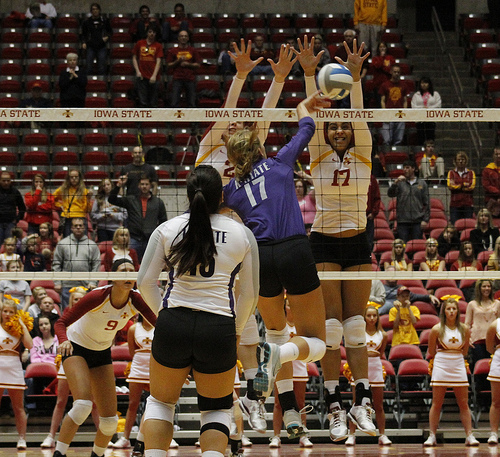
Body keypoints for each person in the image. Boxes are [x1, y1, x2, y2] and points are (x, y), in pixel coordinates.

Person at [196, 40, 297, 436]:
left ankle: (263, 403)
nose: (236, 124)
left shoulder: (250, 159)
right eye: (232, 123)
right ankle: (245, 403)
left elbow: (266, 119)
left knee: (265, 327)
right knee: (236, 329)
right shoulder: (209, 150)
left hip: (245, 247)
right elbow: (225, 115)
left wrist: (278, 80)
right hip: (208, 250)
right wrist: (239, 77)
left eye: (242, 124)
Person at [224, 91, 328, 439]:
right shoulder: (280, 162)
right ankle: (277, 357)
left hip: (260, 259)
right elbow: (308, 126)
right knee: (316, 342)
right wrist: (304, 107)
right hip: (294, 250)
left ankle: (293, 413)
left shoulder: (230, 191)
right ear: (259, 149)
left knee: (277, 332)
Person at [136, 165, 259, 457]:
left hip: (173, 323)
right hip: (218, 328)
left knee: (161, 403)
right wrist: (237, 330)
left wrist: (164, 315)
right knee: (216, 409)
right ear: (222, 197)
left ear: (189, 195)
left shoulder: (167, 228)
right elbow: (250, 295)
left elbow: (144, 283)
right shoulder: (242, 234)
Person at [300, 37, 376, 441]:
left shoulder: (363, 150)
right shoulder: (318, 154)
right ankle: (333, 405)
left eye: (346, 125)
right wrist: (309, 73)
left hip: (358, 242)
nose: (342, 129)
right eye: (336, 125)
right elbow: (309, 115)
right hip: (324, 243)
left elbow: (360, 115)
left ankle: (360, 403)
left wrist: (357, 78)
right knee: (330, 328)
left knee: (356, 325)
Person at [52, 260, 157, 457]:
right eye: (123, 271)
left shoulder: (136, 299)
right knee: (82, 405)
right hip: (76, 348)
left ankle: (97, 455)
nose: (128, 275)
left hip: (101, 353)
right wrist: (64, 340)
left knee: (109, 423)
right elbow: (61, 322)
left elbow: (159, 325)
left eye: (131, 271)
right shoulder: (98, 296)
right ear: (113, 277)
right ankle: (59, 453)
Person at [424, 298, 479, 447]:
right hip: (441, 363)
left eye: (454, 309)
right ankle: (432, 436)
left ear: (458, 311)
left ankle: (469, 436)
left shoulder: (464, 329)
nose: (451, 312)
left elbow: (465, 351)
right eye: (448, 309)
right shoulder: (436, 329)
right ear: (444, 311)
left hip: (458, 363)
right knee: (436, 403)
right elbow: (431, 351)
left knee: (463, 403)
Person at [41, 287, 88, 449]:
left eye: (82, 298)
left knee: (92, 403)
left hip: (87, 362)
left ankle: (103, 437)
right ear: (71, 301)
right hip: (68, 361)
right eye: (75, 299)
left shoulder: (91, 317)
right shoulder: (65, 319)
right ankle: (51, 436)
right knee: (61, 401)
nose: (79, 301)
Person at [269, 302, 314, 449]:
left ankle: (302, 436)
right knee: (278, 403)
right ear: (284, 307)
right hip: (282, 366)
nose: (291, 306)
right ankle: (276, 436)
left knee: (300, 403)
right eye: (288, 304)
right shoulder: (280, 325)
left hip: (299, 366)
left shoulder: (303, 325)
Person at [345, 305, 391, 446]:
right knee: (356, 403)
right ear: (364, 317)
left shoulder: (383, 335)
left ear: (378, 318)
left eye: (374, 316)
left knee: (378, 405)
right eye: (369, 315)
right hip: (360, 367)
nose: (371, 318)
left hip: (376, 367)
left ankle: (382, 434)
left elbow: (381, 353)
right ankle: (351, 435)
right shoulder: (359, 333)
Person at [108, 175, 167, 261]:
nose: (144, 186)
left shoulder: (158, 202)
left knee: (151, 264)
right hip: (134, 238)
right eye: (142, 184)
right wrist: (119, 185)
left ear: (150, 186)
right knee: (134, 263)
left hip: (151, 240)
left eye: (146, 184)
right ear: (138, 186)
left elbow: (163, 221)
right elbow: (112, 199)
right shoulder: (131, 200)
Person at [0, 298, 33, 450]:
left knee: (18, 406)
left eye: (11, 312)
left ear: (15, 314)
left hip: (13, 366)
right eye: (5, 311)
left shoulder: (18, 329)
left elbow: (30, 345)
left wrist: (22, 325)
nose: (7, 314)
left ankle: (22, 439)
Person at [52, 218, 101, 310]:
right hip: (67, 284)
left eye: (80, 226)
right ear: (71, 228)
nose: (78, 228)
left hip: (86, 285)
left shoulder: (92, 245)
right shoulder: (63, 244)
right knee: (67, 312)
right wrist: (57, 282)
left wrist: (93, 281)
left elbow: (96, 265)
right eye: (75, 226)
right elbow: (56, 264)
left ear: (84, 228)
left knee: (86, 311)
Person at [387, 159, 430, 242]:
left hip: (417, 221)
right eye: (404, 168)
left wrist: (425, 220)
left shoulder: (422, 184)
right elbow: (390, 194)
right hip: (402, 221)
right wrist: (395, 183)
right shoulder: (400, 183)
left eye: (407, 168)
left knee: (417, 245)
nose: (405, 170)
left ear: (413, 169)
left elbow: (427, 203)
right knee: (403, 246)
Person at [465, 279, 500, 370]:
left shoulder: (497, 304)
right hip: (477, 340)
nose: (487, 288)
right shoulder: (472, 304)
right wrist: (467, 338)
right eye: (484, 286)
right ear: (479, 288)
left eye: (488, 286)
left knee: (493, 367)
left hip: (493, 340)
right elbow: (467, 324)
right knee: (480, 367)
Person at [53, 169, 93, 238]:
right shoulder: (62, 189)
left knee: (82, 242)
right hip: (68, 218)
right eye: (71, 177)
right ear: (68, 178)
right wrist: (59, 206)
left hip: (80, 218)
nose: (74, 179)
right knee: (68, 242)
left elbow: (88, 210)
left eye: (76, 177)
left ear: (79, 178)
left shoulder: (84, 191)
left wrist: (88, 199)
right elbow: (51, 198)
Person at [166, 30, 201, 108]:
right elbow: (169, 65)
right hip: (177, 79)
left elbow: (198, 64)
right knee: (174, 103)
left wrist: (188, 64)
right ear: (178, 38)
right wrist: (178, 61)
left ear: (188, 38)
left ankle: (192, 120)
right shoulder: (173, 51)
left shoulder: (193, 50)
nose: (183, 38)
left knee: (191, 103)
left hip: (190, 79)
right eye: (181, 36)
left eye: (185, 36)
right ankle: (174, 120)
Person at [132, 24, 164, 108]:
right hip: (142, 76)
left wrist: (154, 75)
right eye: (150, 32)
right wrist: (138, 71)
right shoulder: (140, 43)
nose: (152, 34)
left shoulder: (158, 46)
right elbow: (134, 58)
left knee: (154, 102)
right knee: (143, 101)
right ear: (147, 33)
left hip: (154, 77)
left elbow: (158, 61)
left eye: (154, 32)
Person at [379, 64, 408, 145]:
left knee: (399, 139)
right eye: (395, 72)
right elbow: (382, 100)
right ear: (391, 72)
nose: (396, 74)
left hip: (399, 114)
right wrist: (385, 113)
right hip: (389, 114)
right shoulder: (385, 85)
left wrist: (404, 112)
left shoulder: (404, 85)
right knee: (387, 139)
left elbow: (405, 100)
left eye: (398, 72)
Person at [90, 178, 127, 242]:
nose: (106, 187)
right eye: (104, 185)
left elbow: (125, 215)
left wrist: (113, 215)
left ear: (112, 185)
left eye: (108, 184)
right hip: (102, 229)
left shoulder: (119, 198)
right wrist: (102, 216)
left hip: (116, 229)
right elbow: (93, 215)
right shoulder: (98, 199)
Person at [81, 3, 112, 75]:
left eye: (96, 9)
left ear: (99, 10)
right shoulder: (87, 22)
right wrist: (84, 42)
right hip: (90, 46)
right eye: (93, 9)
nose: (95, 11)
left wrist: (106, 37)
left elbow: (110, 32)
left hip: (101, 46)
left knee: (101, 67)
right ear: (91, 11)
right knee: (89, 67)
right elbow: (83, 34)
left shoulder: (104, 21)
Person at [411, 78, 442, 145]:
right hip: (420, 119)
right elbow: (413, 106)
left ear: (429, 84)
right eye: (422, 83)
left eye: (426, 83)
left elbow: (438, 105)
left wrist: (429, 109)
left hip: (431, 119)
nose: (424, 85)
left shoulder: (435, 94)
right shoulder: (416, 95)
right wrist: (422, 109)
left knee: (430, 137)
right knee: (420, 137)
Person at [447, 151, 475, 224]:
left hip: (468, 204)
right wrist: (463, 185)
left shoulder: (471, 173)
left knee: (468, 226)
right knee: (454, 226)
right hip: (455, 205)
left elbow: (472, 186)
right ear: (455, 161)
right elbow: (450, 186)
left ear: (466, 161)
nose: (461, 161)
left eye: (463, 159)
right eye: (459, 159)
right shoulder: (451, 173)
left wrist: (457, 185)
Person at [0, 172, 26, 246]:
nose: (6, 182)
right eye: (4, 180)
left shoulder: (15, 191)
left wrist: (17, 219)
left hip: (10, 223)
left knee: (10, 244)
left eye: (8, 180)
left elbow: (22, 207)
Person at [486, 313, 500, 444]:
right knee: (496, 401)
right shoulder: (495, 325)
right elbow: (489, 347)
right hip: (498, 362)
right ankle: (494, 433)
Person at [369, 41, 395, 107]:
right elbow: (377, 66)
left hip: (388, 84)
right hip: (378, 84)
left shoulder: (390, 58)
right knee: (379, 103)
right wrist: (382, 59)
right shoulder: (375, 58)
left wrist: (383, 65)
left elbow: (389, 69)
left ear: (386, 48)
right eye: (381, 47)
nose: (382, 48)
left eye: (384, 47)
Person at [482, 147, 500, 214]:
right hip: (490, 200)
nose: (499, 156)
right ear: (493, 155)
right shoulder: (487, 170)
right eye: (496, 154)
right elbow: (486, 185)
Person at [366, 174, 381, 251]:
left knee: (368, 242)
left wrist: (373, 213)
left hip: (367, 216)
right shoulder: (351, 177)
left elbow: (377, 198)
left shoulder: (371, 179)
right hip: (354, 217)